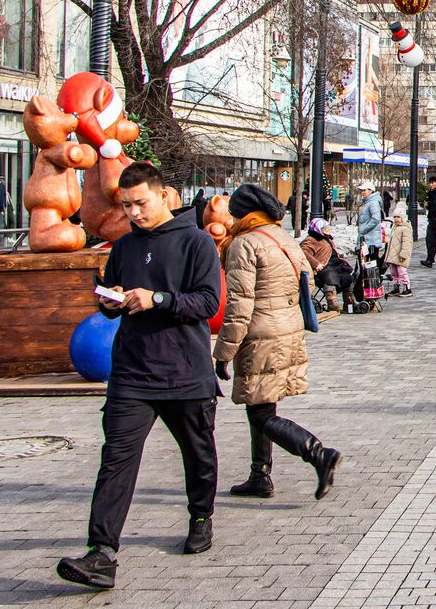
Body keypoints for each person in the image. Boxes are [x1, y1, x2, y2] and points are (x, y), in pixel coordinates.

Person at [57, 162, 222, 590]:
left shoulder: (197, 243)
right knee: (116, 460)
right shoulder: (125, 247)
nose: (133, 212)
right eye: (127, 205)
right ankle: (101, 553)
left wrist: (159, 299)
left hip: (185, 371)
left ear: (164, 196)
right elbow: (111, 293)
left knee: (198, 454)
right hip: (131, 371)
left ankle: (201, 516)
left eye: (140, 203)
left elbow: (206, 304)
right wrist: (109, 303)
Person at [213, 184, 342, 504]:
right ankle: (260, 474)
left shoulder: (244, 244)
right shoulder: (282, 238)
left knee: (260, 412)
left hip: (260, 335)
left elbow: (239, 304)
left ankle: (318, 453)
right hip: (287, 330)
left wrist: (223, 352)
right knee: (262, 403)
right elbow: (306, 280)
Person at [301, 218, 349, 312]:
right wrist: (316, 264)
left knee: (347, 274)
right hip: (322, 268)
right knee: (330, 275)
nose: (327, 230)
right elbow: (304, 252)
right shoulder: (311, 240)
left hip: (333, 264)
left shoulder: (326, 238)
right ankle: (332, 302)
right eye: (324, 229)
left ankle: (349, 301)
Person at [356, 182, 385, 277]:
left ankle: (370, 288)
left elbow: (376, 218)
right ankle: (367, 287)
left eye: (364, 190)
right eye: (362, 190)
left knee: (369, 266)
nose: (362, 192)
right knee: (366, 266)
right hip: (367, 239)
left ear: (371, 190)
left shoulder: (373, 202)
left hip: (370, 240)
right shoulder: (368, 202)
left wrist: (364, 229)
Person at [384, 210, 414, 296]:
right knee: (394, 272)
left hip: (401, 255)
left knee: (402, 271)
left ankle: (407, 288)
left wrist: (404, 254)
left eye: (398, 217)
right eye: (395, 217)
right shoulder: (395, 227)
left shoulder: (405, 228)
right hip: (394, 255)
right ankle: (396, 287)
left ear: (403, 218)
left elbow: (407, 243)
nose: (396, 219)